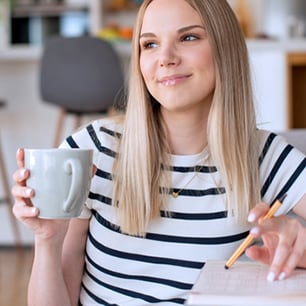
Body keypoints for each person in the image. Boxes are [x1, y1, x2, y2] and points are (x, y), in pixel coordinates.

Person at [12, 0, 306, 305]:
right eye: (149, 44)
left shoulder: (265, 157)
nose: (165, 58)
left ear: (225, 48)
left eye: (188, 37)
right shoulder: (93, 152)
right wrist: (47, 241)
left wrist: (300, 247)